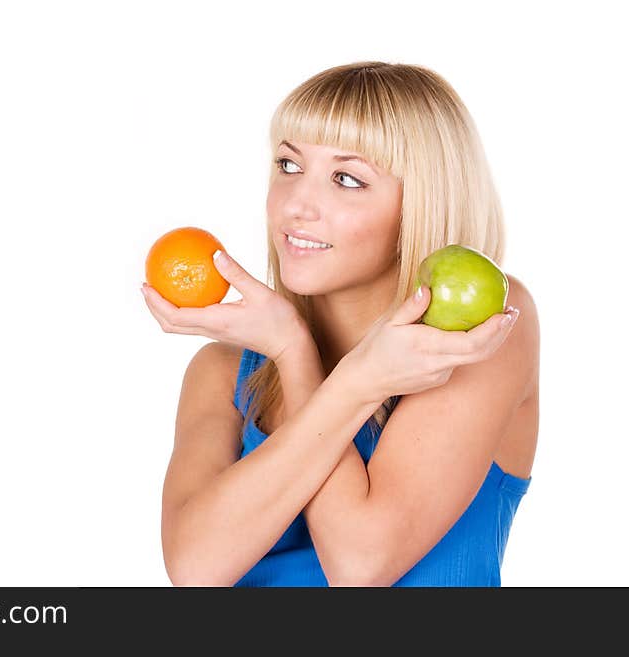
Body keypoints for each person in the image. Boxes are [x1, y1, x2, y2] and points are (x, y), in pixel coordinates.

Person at [140, 61, 539, 587]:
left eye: (347, 178)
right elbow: (195, 569)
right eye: (288, 165)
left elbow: (360, 565)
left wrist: (310, 365)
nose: (296, 205)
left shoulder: (479, 335)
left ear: (419, 203)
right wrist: (292, 347)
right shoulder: (222, 372)